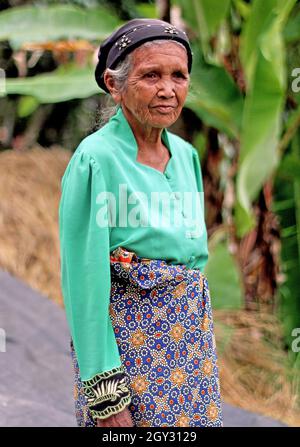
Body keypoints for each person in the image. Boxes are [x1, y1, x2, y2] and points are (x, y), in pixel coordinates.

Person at [59, 18, 223, 428]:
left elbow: (191, 261)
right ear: (115, 85)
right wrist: (107, 397)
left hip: (192, 355)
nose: (168, 89)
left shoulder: (186, 156)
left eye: (178, 76)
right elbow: (84, 283)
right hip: (131, 360)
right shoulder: (96, 160)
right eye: (151, 75)